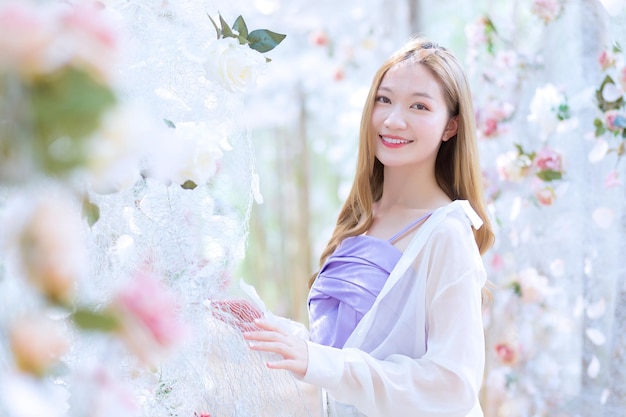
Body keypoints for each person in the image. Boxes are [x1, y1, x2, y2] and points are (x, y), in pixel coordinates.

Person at [240, 35, 495, 417]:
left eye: (420, 106)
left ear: (451, 127)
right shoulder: (362, 217)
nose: (393, 119)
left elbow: (453, 387)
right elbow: (351, 350)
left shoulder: (447, 233)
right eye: (384, 99)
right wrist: (270, 331)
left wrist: (318, 361)